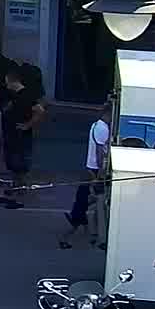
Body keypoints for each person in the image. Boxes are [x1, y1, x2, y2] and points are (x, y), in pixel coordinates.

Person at [61, 101, 111, 249]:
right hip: (94, 171)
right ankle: (68, 237)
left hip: (90, 170)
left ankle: (90, 234)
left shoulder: (96, 125)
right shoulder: (103, 128)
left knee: (87, 200)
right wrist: (101, 173)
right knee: (91, 202)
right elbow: (100, 152)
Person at [0, 68, 46, 209]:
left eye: (7, 82)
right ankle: (16, 188)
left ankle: (19, 191)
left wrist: (27, 125)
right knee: (14, 163)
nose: (6, 85)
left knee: (19, 163)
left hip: (19, 135)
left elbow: (40, 111)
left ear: (13, 81)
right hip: (13, 134)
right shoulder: (14, 96)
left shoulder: (27, 95)